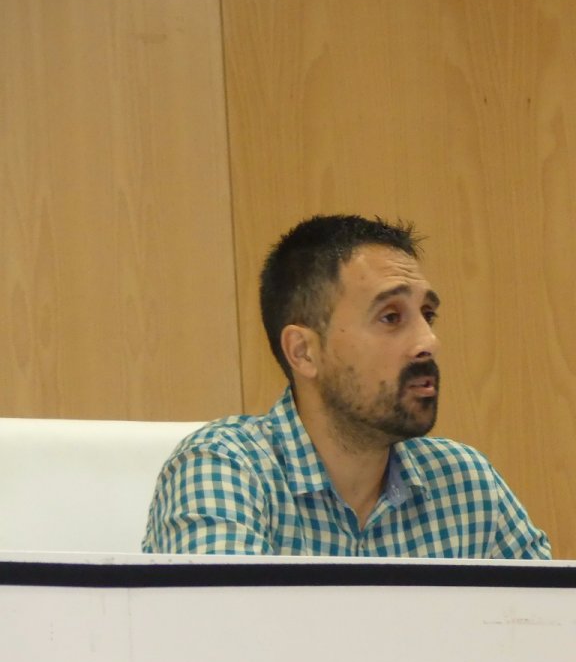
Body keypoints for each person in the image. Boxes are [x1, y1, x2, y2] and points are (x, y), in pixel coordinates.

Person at [143, 215, 550, 558]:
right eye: (391, 317)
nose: (429, 342)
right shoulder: (224, 468)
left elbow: (549, 622)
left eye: (427, 315)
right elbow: (225, 627)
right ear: (303, 352)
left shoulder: (464, 482)